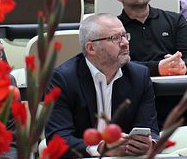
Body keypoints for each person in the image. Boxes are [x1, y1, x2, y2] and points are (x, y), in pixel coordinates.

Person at [45, 14, 159, 157]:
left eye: (125, 36)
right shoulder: (63, 79)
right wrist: (99, 149)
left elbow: (150, 128)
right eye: (115, 38)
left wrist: (149, 143)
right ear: (91, 48)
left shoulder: (139, 76)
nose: (125, 43)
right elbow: (58, 138)